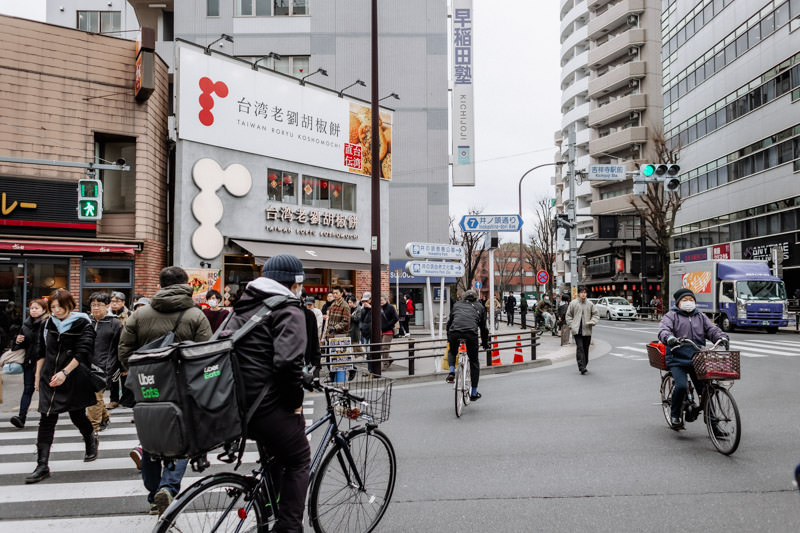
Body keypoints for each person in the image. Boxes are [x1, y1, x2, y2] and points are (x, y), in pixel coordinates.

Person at [227, 254, 314, 533]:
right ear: (295, 282)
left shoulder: (242, 306)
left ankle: (268, 512)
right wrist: (295, 403)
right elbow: (288, 362)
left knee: (277, 456)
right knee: (299, 459)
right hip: (266, 405)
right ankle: (289, 528)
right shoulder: (288, 309)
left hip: (235, 404)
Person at [118, 267, 212, 516]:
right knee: (182, 438)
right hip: (183, 388)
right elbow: (206, 354)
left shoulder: (140, 315)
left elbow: (124, 352)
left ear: (160, 284)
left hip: (147, 386)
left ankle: (152, 496)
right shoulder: (195, 314)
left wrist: (140, 373)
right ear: (185, 284)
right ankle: (168, 488)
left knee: (151, 437)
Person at [25, 289, 98, 484]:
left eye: (60, 306)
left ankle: (90, 437)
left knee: (77, 415)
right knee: (47, 419)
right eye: (53, 307)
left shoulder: (83, 322)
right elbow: (41, 349)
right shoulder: (47, 323)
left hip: (73, 376)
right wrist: (37, 375)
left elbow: (83, 352)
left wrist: (65, 372)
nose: (56, 311)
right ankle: (42, 465)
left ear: (70, 305)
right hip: (50, 376)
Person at [658, 288, 729, 430]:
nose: (688, 303)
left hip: (697, 358)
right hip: (677, 358)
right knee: (682, 385)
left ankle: (714, 425)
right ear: (678, 303)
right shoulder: (671, 316)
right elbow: (663, 330)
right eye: (685, 300)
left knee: (705, 389)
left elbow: (711, 330)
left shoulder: (700, 316)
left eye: (691, 300)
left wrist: (721, 337)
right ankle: (675, 415)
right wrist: (669, 338)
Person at [9, 299, 48, 429]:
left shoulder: (47, 323)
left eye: (37, 308)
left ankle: (46, 418)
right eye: (32, 308)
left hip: (45, 363)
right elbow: (16, 347)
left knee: (44, 391)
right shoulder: (25, 325)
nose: (34, 310)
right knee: (27, 389)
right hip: (30, 362)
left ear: (44, 310)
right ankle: (21, 417)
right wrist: (17, 340)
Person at [445, 289, 489, 401]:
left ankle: (451, 372)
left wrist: (449, 338)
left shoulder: (457, 305)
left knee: (452, 351)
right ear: (476, 298)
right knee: (474, 361)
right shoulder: (480, 307)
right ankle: (474, 393)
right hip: (471, 334)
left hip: (454, 332)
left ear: (463, 298)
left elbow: (450, 323)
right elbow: (483, 328)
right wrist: (485, 343)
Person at [87, 293, 122, 431]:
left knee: (94, 397)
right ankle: (105, 417)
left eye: (99, 305)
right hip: (86, 365)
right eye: (93, 305)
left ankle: (93, 428)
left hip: (105, 366)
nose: (96, 308)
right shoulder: (86, 321)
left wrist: (121, 366)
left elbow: (121, 346)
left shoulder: (115, 323)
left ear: (107, 306)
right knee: (95, 397)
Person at [565, 286, 599, 375]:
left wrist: (593, 321)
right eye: (582, 292)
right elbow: (568, 315)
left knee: (585, 348)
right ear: (578, 293)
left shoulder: (590, 304)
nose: (583, 294)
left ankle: (584, 364)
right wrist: (572, 325)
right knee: (580, 348)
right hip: (577, 330)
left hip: (587, 330)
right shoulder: (573, 303)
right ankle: (581, 367)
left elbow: (596, 315)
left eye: (585, 292)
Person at [379, 294, 399, 369]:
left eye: (382, 300)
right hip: (380, 330)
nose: (380, 302)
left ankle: (385, 364)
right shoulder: (379, 307)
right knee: (380, 348)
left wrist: (388, 325)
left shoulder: (390, 307)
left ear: (386, 300)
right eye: (379, 300)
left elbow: (396, 318)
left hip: (388, 331)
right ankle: (389, 359)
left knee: (385, 347)